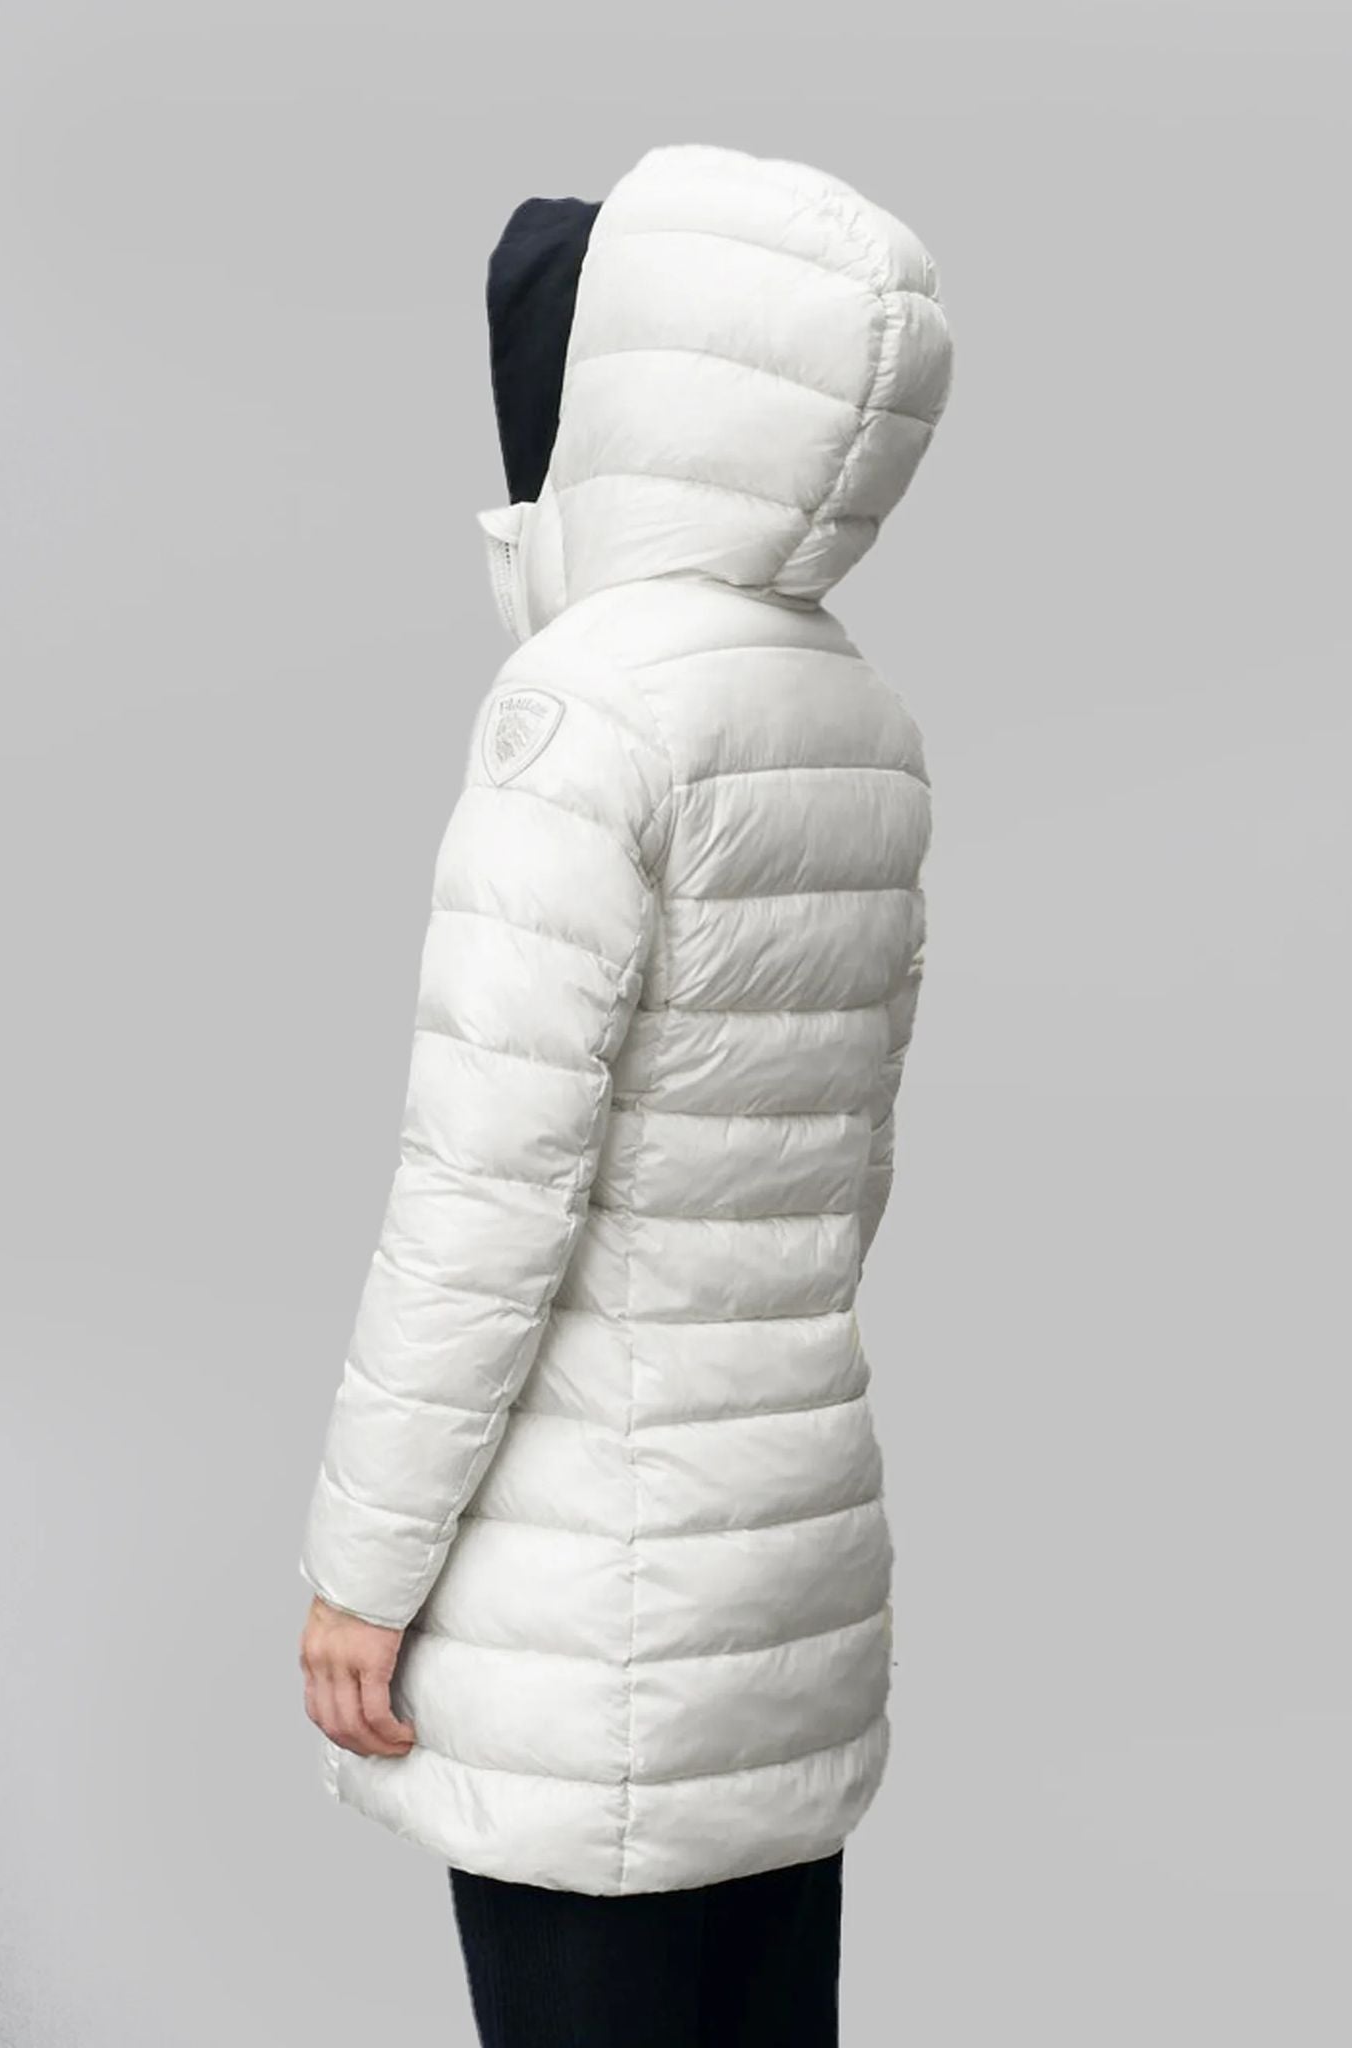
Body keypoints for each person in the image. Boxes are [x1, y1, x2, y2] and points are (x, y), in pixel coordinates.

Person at [297, 139, 954, 2046]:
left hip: (579, 1599)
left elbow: (480, 1196)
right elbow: (848, 1176)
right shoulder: (856, 715)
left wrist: (361, 1574)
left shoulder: (581, 713)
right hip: (783, 1565)